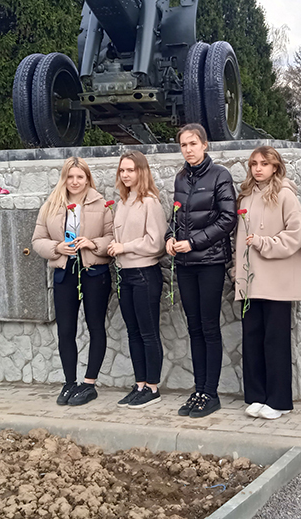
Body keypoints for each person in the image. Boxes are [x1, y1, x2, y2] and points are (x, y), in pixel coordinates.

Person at [235, 146, 301, 420]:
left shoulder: (285, 195)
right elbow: (239, 239)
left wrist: (264, 242)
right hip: (251, 279)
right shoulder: (245, 196)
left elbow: (297, 235)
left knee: (275, 340)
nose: (258, 168)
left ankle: (279, 401)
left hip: (278, 280)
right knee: (252, 338)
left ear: (275, 167)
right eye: (254, 163)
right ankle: (257, 396)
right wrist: (237, 271)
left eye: (264, 164)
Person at [165, 124, 237, 418]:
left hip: (210, 262)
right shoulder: (181, 177)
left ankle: (211, 393)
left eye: (193, 143)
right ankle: (198, 390)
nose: (188, 150)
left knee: (209, 327)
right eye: (184, 145)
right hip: (185, 265)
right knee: (193, 328)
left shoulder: (220, 175)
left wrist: (193, 242)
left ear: (205, 145)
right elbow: (176, 216)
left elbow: (228, 219)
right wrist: (170, 238)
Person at [32, 157, 114, 407]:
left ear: (88, 179)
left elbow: (112, 236)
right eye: (70, 176)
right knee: (65, 330)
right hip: (65, 273)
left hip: (94, 273)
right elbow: (37, 240)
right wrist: (57, 248)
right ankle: (69, 382)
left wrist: (93, 243)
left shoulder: (101, 203)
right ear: (64, 178)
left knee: (95, 326)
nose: (75, 181)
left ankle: (89, 384)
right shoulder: (51, 204)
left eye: (80, 176)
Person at [107, 151, 168, 409]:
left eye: (130, 170)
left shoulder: (149, 202)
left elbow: (156, 243)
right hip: (125, 274)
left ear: (141, 171)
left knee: (148, 332)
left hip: (144, 273)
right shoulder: (123, 201)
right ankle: (140, 383)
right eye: (122, 170)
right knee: (133, 332)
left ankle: (153, 387)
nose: (125, 175)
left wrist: (125, 247)